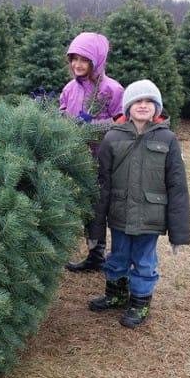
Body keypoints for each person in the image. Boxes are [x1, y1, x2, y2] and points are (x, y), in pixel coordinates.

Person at [86, 79, 190, 328]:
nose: (143, 106)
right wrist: (95, 230)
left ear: (157, 107)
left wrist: (178, 234)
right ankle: (116, 294)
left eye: (149, 101)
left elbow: (178, 188)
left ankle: (140, 302)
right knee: (118, 256)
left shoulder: (168, 139)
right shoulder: (112, 138)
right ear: (127, 107)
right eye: (137, 101)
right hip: (119, 214)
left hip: (151, 217)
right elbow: (102, 185)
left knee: (145, 261)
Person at [59, 32, 124, 272]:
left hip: (104, 160)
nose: (77, 64)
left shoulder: (112, 89)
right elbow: (61, 113)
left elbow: (122, 123)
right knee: (87, 207)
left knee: (103, 207)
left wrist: (91, 129)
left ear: (96, 61)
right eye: (74, 59)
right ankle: (94, 253)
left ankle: (107, 256)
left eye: (84, 60)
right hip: (77, 160)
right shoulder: (69, 89)